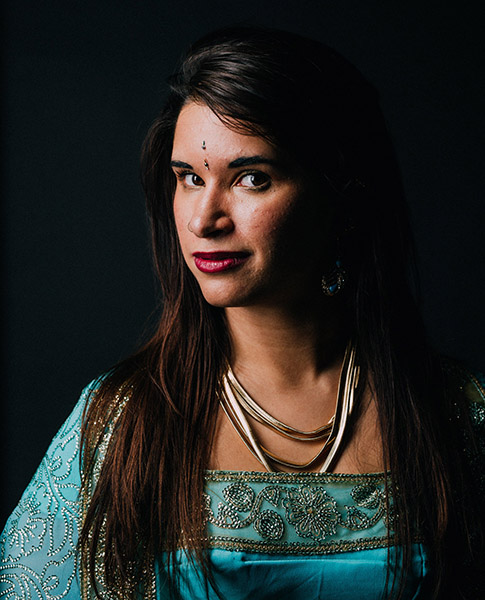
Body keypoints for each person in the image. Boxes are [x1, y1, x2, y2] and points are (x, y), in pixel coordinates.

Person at [1, 26, 484, 600]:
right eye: (189, 178)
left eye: (251, 178)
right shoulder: (118, 425)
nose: (205, 218)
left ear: (341, 195)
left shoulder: (457, 416)